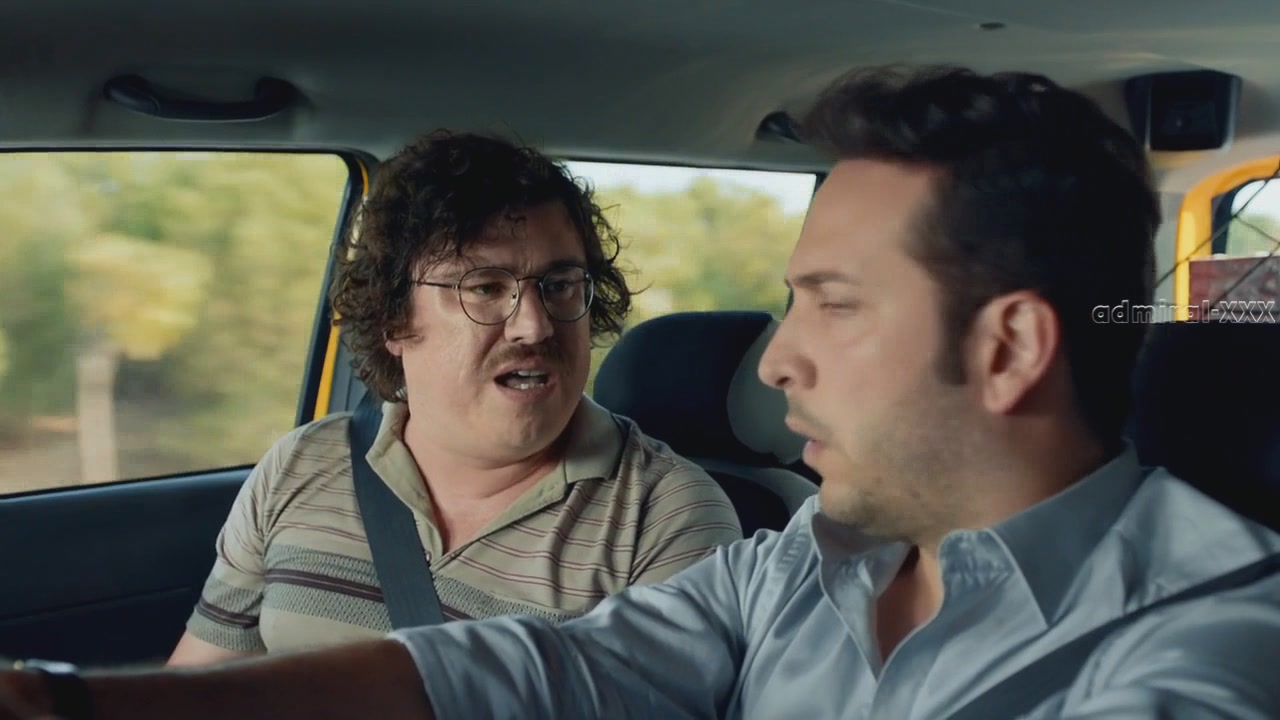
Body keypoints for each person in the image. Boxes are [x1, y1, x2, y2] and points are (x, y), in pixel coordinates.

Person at [4, 64, 1280, 719]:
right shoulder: (804, 566)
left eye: (832, 304)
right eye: (790, 303)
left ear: (1006, 349)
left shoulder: (1213, 645)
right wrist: (70, 703)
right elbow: (536, 670)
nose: (773, 361)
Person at [162, 130, 743, 665]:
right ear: (394, 318)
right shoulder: (302, 463)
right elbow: (193, 689)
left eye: (561, 285)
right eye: (486, 288)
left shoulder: (665, 518)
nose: (535, 326)